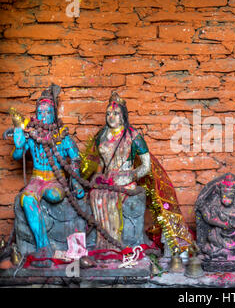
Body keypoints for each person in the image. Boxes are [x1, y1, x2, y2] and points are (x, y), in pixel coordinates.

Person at [11, 84, 84, 263]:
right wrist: (19, 143)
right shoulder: (32, 135)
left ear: (54, 114)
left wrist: (75, 181)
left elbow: (75, 158)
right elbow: (17, 156)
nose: (43, 116)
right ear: (36, 114)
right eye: (40, 112)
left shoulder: (62, 136)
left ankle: (70, 248)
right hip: (36, 179)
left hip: (55, 180)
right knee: (27, 199)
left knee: (53, 194)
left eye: (48, 112)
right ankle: (43, 247)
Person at [89, 92, 151, 249]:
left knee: (110, 200)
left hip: (125, 180)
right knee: (96, 196)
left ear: (123, 116)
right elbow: (100, 163)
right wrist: (97, 175)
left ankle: (115, 244)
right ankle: (102, 244)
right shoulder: (101, 136)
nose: (111, 117)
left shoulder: (134, 136)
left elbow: (146, 166)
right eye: (108, 113)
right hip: (107, 179)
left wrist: (130, 176)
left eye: (116, 113)